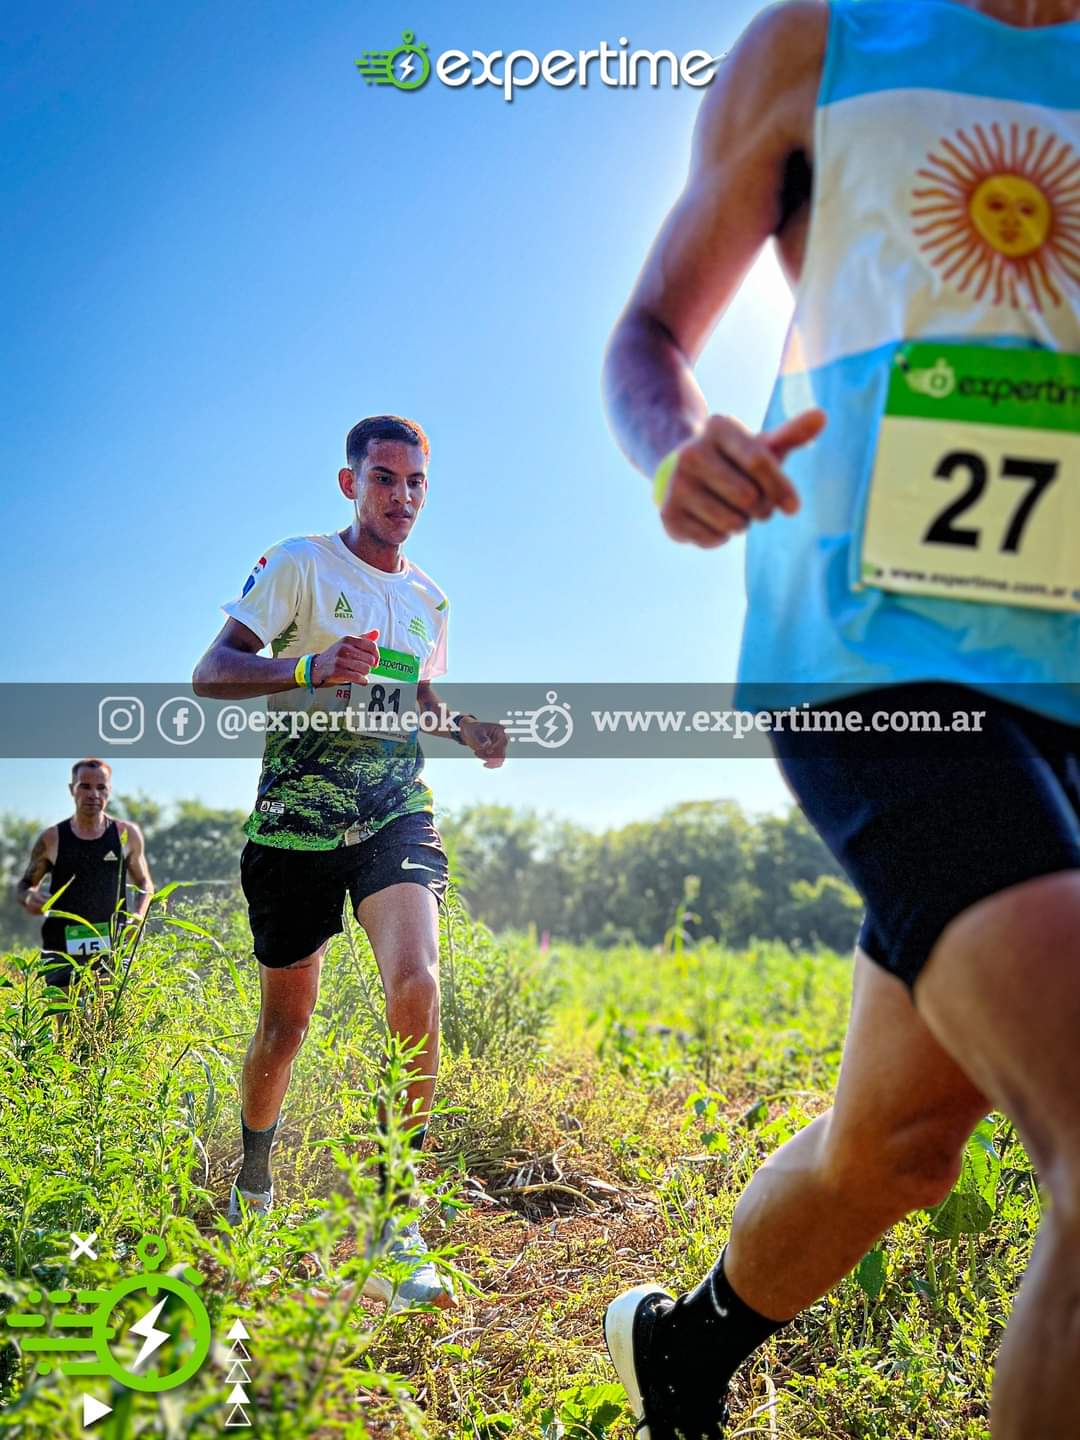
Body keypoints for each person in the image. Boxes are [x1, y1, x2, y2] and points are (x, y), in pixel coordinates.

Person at [602, 1, 1080, 1435]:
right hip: (879, 647)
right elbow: (649, 332)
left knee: (900, 1148)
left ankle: (687, 1349)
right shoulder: (820, 42)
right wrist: (680, 443)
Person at [192, 413, 506, 1310]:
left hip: (393, 814)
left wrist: (463, 726)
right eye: (384, 479)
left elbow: (416, 694)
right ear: (350, 483)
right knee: (285, 1031)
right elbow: (210, 672)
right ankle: (254, 1179)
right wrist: (309, 668)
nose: (401, 497)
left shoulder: (430, 599)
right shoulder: (299, 563)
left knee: (418, 983)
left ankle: (397, 1219)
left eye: (415, 484)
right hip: (295, 823)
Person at [16, 758, 154, 990]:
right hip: (62, 946)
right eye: (85, 786)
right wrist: (29, 897)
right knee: (66, 1023)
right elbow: (25, 884)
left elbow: (144, 883)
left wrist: (138, 916)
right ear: (72, 789)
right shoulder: (52, 838)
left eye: (101, 788)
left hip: (111, 944)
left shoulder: (126, 834)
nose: (94, 795)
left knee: (107, 1021)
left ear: (109, 791)